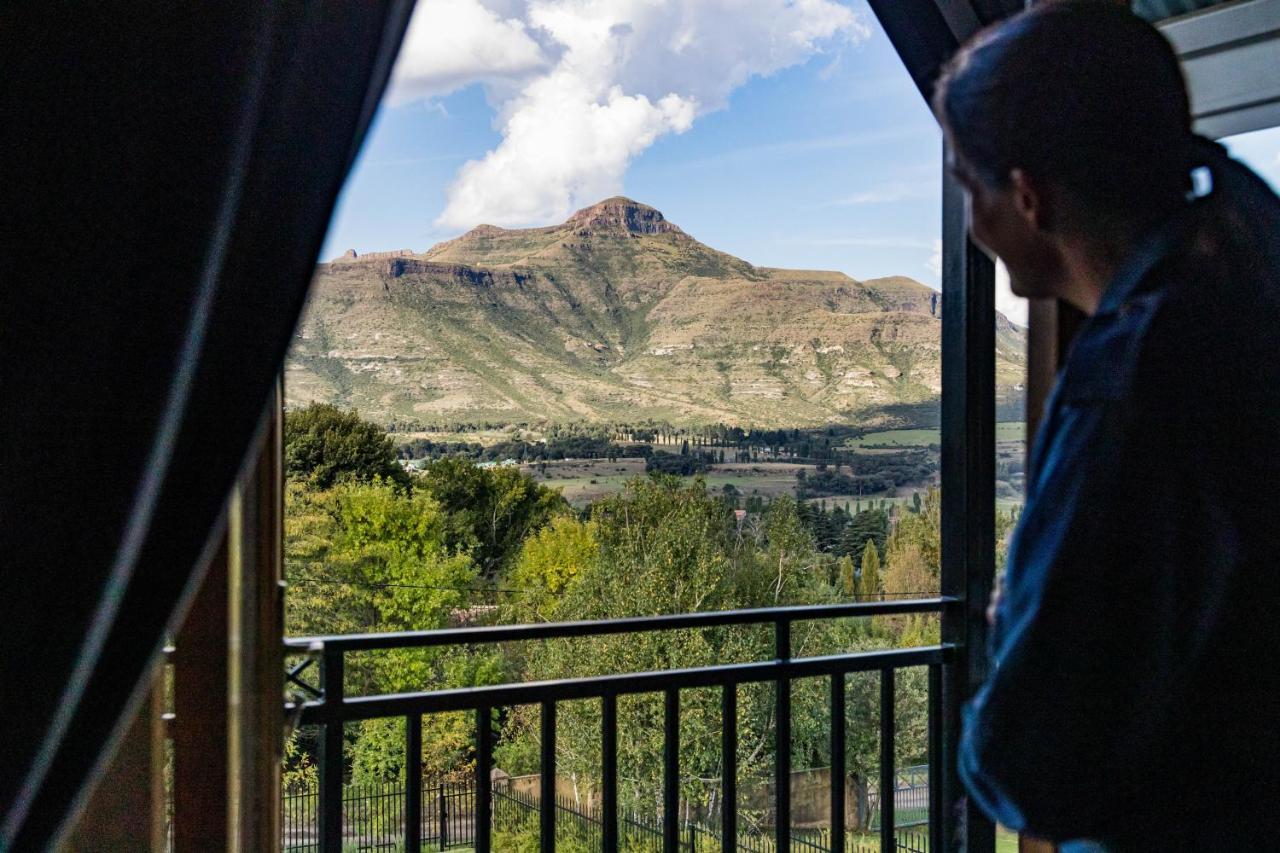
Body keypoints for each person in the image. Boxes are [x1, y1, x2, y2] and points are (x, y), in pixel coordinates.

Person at [933, 3, 1280, 851]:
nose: (973, 226)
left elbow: (1031, 760)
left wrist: (1009, 635)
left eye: (969, 190)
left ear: (1027, 197)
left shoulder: (1135, 383)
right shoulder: (1244, 312)